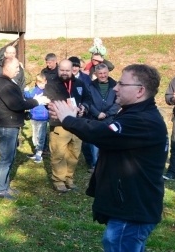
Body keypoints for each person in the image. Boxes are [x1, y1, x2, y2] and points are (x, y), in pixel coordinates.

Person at [49, 64, 175, 252]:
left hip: (133, 208)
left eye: (123, 84)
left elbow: (105, 134)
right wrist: (79, 118)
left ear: (140, 91)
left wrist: (70, 119)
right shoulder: (132, 114)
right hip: (130, 204)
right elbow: (104, 129)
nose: (116, 88)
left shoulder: (143, 121)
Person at [0, 58, 49, 199]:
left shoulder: (9, 82)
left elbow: (17, 103)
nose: (18, 70)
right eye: (16, 67)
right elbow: (16, 104)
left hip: (11, 124)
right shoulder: (5, 84)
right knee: (5, 159)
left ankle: (5, 186)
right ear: (6, 67)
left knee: (10, 157)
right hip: (7, 125)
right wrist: (37, 101)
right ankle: (0, 189)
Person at [44, 59, 87, 193]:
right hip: (59, 124)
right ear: (58, 69)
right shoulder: (51, 84)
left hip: (77, 123)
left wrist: (83, 108)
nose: (64, 73)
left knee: (74, 152)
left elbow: (87, 99)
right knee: (59, 153)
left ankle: (69, 177)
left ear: (73, 69)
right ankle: (59, 180)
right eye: (61, 70)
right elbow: (48, 101)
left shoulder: (80, 83)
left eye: (67, 70)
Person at [82, 62, 120, 172]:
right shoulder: (90, 86)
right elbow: (88, 101)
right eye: (100, 73)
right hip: (95, 118)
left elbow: (118, 102)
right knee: (95, 142)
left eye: (104, 73)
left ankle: (109, 163)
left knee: (109, 142)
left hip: (110, 118)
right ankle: (95, 165)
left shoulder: (115, 85)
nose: (103, 75)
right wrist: (97, 113)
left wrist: (107, 113)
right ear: (96, 74)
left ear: (108, 72)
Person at [24, 74, 50, 163]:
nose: (42, 85)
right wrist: (26, 91)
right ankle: (36, 151)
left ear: (46, 82)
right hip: (34, 116)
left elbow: (49, 101)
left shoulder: (47, 91)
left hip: (43, 117)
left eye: (43, 83)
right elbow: (28, 98)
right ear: (36, 83)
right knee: (35, 136)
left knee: (41, 136)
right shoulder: (35, 90)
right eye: (40, 83)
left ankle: (39, 153)